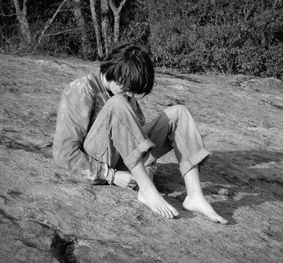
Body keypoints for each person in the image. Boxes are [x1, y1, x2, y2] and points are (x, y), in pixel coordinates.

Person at [53, 43, 227, 224]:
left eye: (134, 91)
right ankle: (148, 190)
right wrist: (110, 175)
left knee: (179, 113)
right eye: (128, 88)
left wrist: (148, 171)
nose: (130, 94)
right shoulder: (81, 89)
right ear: (115, 72)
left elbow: (139, 142)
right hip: (99, 161)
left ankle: (194, 196)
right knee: (117, 104)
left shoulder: (125, 93)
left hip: (127, 163)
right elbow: (63, 154)